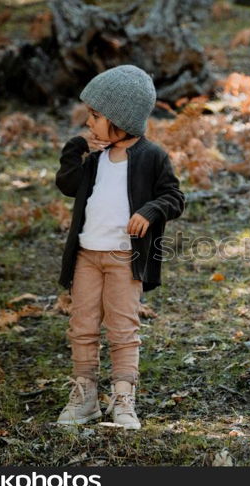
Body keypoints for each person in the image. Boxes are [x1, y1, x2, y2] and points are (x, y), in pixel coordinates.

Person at [54, 65, 185, 429]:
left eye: (95, 117)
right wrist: (79, 146)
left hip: (125, 259)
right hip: (86, 256)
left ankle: (124, 399)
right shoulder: (92, 156)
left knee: (123, 329)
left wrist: (150, 210)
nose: (88, 123)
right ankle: (85, 397)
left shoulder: (151, 156)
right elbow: (65, 183)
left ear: (121, 119)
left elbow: (174, 197)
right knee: (82, 326)